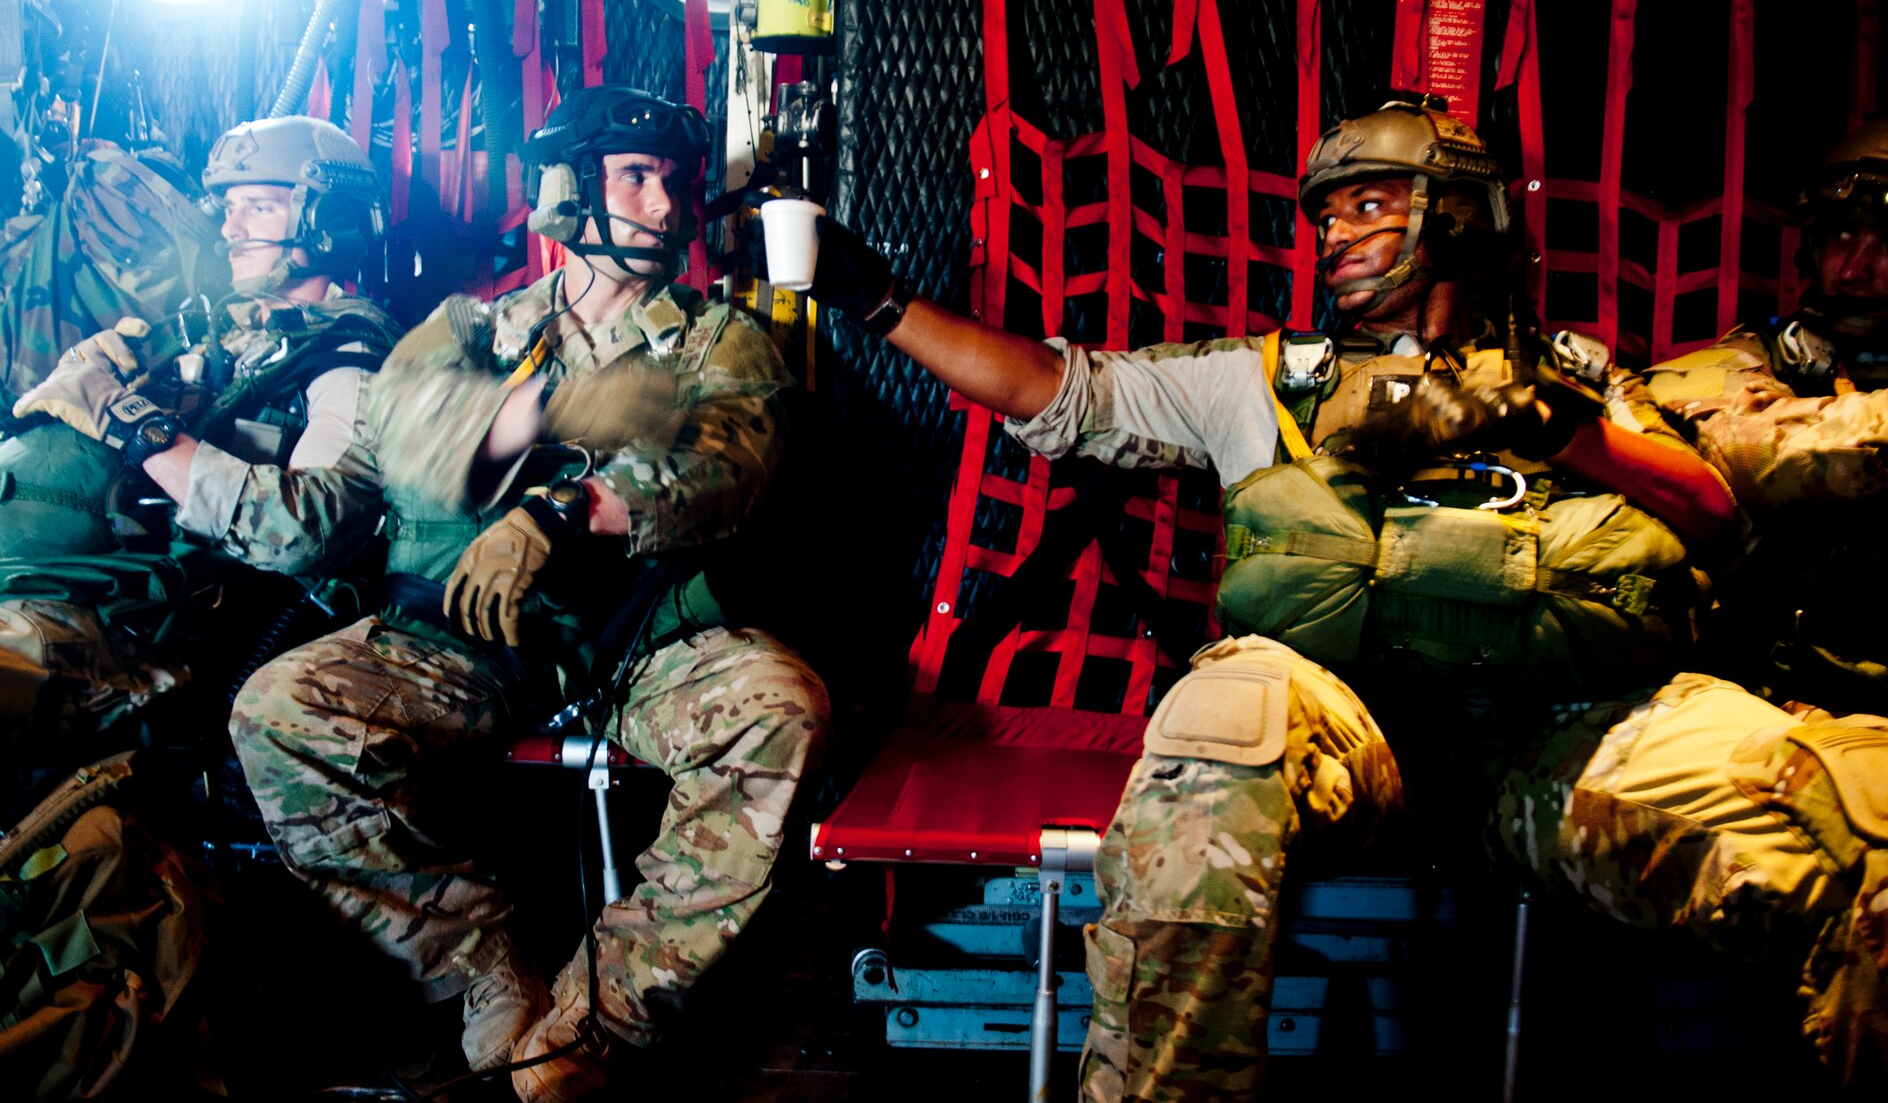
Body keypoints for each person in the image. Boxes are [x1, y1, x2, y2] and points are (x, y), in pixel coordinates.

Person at [797, 98, 1743, 1099]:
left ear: (1456, 216)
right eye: (1324, 216)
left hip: (1547, 741)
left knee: (1823, 799)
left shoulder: (1576, 386)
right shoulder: (1262, 381)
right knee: (1221, 711)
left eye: (1366, 206)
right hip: (1350, 734)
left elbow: (1714, 512)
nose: (1331, 236)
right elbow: (1056, 390)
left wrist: (1556, 429)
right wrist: (878, 301)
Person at [228, 85, 828, 1102]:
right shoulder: (475, 327)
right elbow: (399, 433)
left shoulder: (715, 339)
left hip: (639, 635)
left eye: (675, 183)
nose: (665, 204)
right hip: (478, 635)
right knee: (277, 713)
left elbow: (727, 471)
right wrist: (519, 417)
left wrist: (560, 510)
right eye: (635, 177)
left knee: (778, 709)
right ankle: (479, 970)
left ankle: (603, 1016)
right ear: (567, 193)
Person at [1497, 117, 1888, 1090]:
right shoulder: (1713, 378)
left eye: (1886, 239)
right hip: (1756, 716)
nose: (1859, 262)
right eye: (1838, 234)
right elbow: (1753, 458)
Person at [0, 114, 398, 827]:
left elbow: (307, 530)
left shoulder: (348, 360)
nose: (231, 227)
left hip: (114, 632)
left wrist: (132, 424)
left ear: (328, 220)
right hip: (6, 575)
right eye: (227, 207)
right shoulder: (209, 335)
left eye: (260, 203)